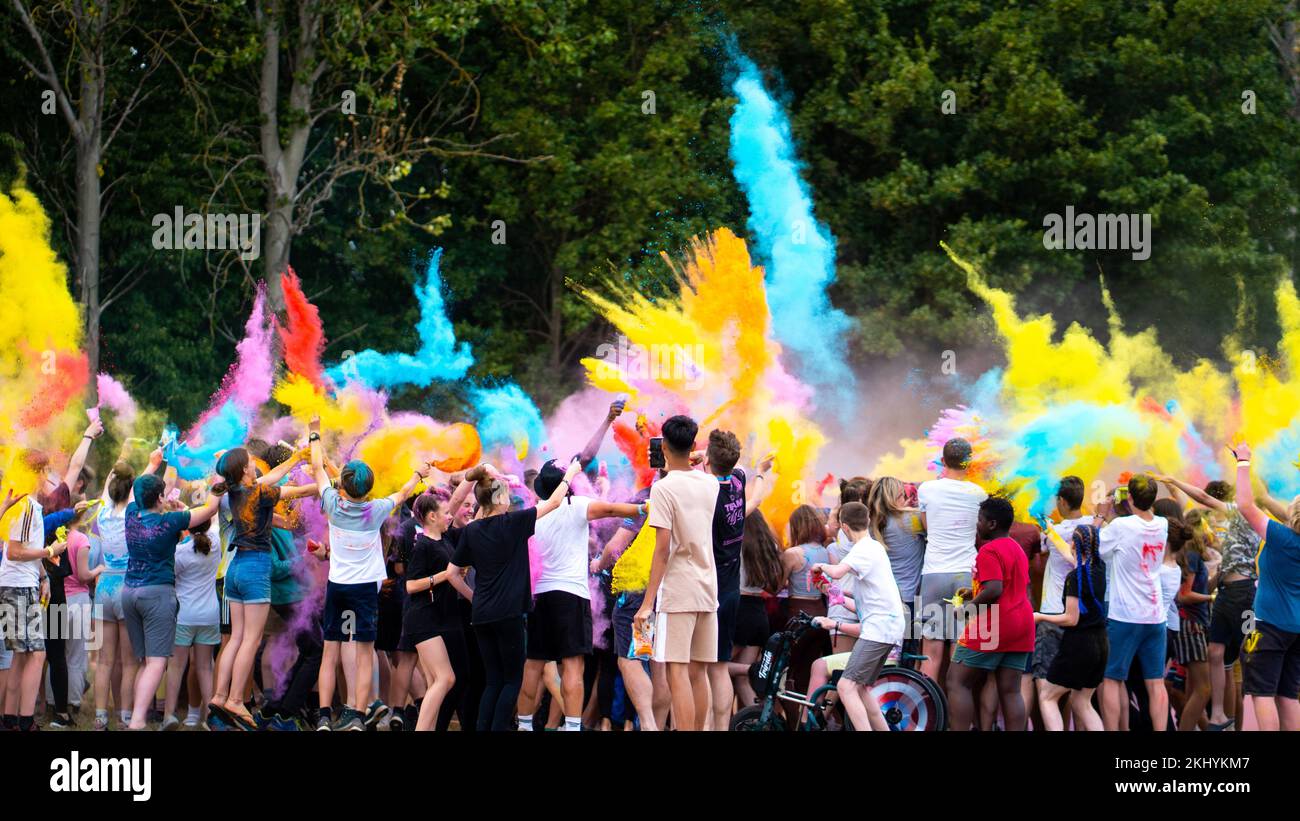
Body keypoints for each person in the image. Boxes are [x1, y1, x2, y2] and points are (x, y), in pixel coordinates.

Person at [309, 419, 428, 731]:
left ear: (343, 486)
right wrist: (419, 474)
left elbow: (318, 469)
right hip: (365, 590)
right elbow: (403, 494)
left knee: (330, 652)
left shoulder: (332, 504)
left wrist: (314, 434)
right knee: (364, 654)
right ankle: (358, 715)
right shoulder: (376, 510)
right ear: (368, 487)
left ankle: (323, 716)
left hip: (337, 587)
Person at [450, 459, 581, 730]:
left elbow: (452, 573)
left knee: (493, 681)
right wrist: (569, 475)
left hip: (482, 614)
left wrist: (474, 598)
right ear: (498, 498)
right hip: (508, 614)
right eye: (507, 494)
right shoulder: (514, 522)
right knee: (511, 681)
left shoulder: (473, 530)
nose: (510, 498)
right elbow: (554, 503)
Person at [516, 459, 642, 732]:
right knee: (573, 665)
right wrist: (643, 507)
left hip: (540, 597)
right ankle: (572, 726)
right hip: (571, 595)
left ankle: (524, 725)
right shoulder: (577, 506)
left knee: (534, 663)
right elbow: (610, 509)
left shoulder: (535, 512)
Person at [206, 444, 316, 731]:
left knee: (237, 638)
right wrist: (331, 484)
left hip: (235, 569)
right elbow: (298, 492)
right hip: (255, 569)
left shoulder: (233, 492)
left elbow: (272, 476)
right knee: (251, 640)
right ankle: (235, 700)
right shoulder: (259, 493)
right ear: (244, 470)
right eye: (251, 462)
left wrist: (295, 458)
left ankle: (219, 696)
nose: (255, 465)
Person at [635, 414, 721, 732]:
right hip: (707, 588)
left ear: (664, 447)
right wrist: (692, 458)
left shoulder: (664, 488)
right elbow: (705, 465)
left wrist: (647, 603)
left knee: (677, 670)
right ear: (694, 446)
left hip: (678, 589)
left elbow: (662, 548)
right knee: (699, 673)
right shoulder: (710, 483)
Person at [121, 466, 224, 730]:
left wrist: (154, 464)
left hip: (129, 592)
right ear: (159, 499)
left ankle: (136, 717)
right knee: (157, 663)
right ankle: (137, 722)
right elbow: (210, 510)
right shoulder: (170, 522)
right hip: (156, 595)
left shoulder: (131, 514)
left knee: (145, 662)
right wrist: (219, 482)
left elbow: (136, 493)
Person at [1159, 474, 1259, 730]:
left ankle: (1229, 716)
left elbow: (1203, 498)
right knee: (1216, 653)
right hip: (1227, 592)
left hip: (1243, 593)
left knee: (1241, 659)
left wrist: (1176, 481)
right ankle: (1217, 716)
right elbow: (1197, 514)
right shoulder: (1242, 519)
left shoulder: (1249, 515)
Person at [810, 501, 906, 731]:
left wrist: (820, 567)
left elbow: (836, 571)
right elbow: (861, 599)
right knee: (860, 688)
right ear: (868, 521)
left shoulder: (863, 549)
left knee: (845, 686)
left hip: (879, 630)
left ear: (844, 526)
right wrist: (832, 591)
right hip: (887, 628)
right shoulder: (874, 548)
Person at [700, 429, 773, 730]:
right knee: (717, 669)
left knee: (701, 670)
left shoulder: (706, 494)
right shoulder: (738, 482)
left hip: (708, 590)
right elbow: (753, 501)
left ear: (706, 460)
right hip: (731, 593)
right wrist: (761, 472)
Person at [945, 497, 1034, 731]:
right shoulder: (1015, 547)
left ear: (992, 524)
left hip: (995, 624)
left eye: (980, 520)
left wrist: (967, 609)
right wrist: (973, 592)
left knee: (957, 682)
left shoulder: (989, 550)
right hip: (1022, 624)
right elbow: (1011, 585)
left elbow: (995, 589)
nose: (978, 525)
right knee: (1011, 690)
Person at [1231, 442, 1300, 730]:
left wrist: (1243, 462)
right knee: (1288, 697)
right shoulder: (1283, 535)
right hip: (1296, 630)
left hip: (1268, 626)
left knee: (1261, 694)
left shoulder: (1281, 537)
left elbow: (1246, 505)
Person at [1097, 474, 1169, 731]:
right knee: (1156, 682)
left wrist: (1100, 517)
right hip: (1156, 615)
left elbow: (1097, 550)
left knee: (1112, 679)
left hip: (1124, 616)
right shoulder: (1162, 524)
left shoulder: (1121, 526)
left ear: (1129, 498)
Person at [916, 438, 988, 686]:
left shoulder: (926, 489)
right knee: (959, 653)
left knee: (930, 653)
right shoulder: (979, 493)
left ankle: (928, 717)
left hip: (934, 574)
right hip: (966, 575)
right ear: (969, 464)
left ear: (943, 461)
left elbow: (927, 526)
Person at [403, 492, 474, 730]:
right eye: (445, 513)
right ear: (432, 516)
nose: (450, 516)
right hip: (423, 618)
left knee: (437, 680)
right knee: (446, 678)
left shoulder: (444, 540)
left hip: (440, 616)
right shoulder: (422, 544)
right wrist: (445, 575)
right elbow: (411, 585)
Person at [1034, 524, 1108, 730]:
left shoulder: (1075, 578)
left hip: (1080, 645)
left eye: (1070, 541)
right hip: (1101, 644)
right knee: (1082, 702)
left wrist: (1040, 617)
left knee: (1047, 697)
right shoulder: (1099, 568)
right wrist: (1049, 530)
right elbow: (1072, 557)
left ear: (1075, 545)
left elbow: (1070, 618)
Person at [1033, 477, 1088, 728]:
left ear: (1063, 501)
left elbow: (1045, 548)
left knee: (1046, 688)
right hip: (1084, 618)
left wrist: (1045, 525)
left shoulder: (1058, 532)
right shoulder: (1094, 527)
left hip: (1053, 615)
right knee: (1073, 688)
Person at [89, 459, 138, 730]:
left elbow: (109, 488)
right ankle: (125, 716)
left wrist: (115, 467)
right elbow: (131, 490)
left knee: (104, 660)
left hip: (103, 587)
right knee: (129, 661)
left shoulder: (102, 514)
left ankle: (99, 717)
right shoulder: (131, 513)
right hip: (127, 587)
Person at [163, 517, 220, 729]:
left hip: (184, 615)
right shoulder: (216, 543)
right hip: (209, 614)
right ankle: (211, 716)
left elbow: (172, 578)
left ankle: (169, 715)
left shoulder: (180, 552)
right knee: (206, 667)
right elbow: (214, 518)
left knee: (176, 666)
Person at [729, 510, 787, 708]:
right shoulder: (767, 544)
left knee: (712, 668)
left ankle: (756, 669)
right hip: (758, 612)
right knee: (742, 679)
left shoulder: (735, 541)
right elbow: (774, 585)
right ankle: (755, 721)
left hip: (738, 609)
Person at [865, 476, 925, 638]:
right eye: (903, 495)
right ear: (896, 497)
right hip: (910, 596)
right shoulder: (911, 519)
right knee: (910, 648)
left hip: (883, 598)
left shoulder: (870, 525)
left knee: (890, 649)